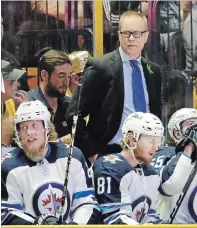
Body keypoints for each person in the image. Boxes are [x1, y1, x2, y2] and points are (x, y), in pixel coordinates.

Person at [66, 11, 162, 165]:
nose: (131, 38)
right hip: (110, 152)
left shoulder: (154, 71)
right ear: (119, 35)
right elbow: (73, 115)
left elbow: (155, 112)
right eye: (126, 33)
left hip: (146, 153)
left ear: (146, 36)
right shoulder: (100, 67)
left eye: (137, 33)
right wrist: (92, 154)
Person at [1, 100, 100, 225]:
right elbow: (6, 212)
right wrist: (39, 224)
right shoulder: (8, 166)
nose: (29, 133)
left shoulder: (73, 156)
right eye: (24, 127)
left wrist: (74, 226)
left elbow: (86, 202)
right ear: (18, 132)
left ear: (46, 128)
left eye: (35, 126)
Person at [92, 112, 166, 224]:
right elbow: (113, 219)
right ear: (131, 139)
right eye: (150, 141)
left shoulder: (151, 173)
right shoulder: (108, 168)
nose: (155, 147)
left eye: (158, 140)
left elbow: (147, 214)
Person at [156, 108, 197, 224]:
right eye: (190, 124)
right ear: (177, 133)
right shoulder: (166, 158)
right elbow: (170, 186)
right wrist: (188, 147)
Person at [28, 49, 72, 144]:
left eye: (68, 76)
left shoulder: (70, 104)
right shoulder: (28, 105)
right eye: (61, 76)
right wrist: (66, 140)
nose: (67, 83)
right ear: (44, 75)